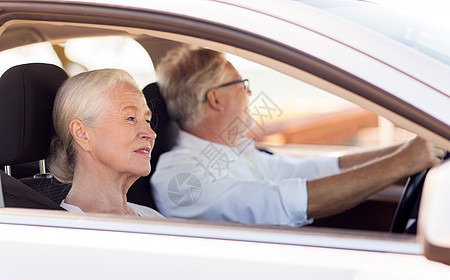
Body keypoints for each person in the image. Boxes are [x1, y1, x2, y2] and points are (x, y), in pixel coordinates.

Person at [150, 46, 445, 226]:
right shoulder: (182, 178)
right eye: (242, 84)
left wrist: (404, 151)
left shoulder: (233, 150)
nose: (250, 92)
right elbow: (287, 201)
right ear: (215, 99)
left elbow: (310, 170)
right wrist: (401, 163)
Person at [49, 69, 163, 218]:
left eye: (147, 120)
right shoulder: (64, 234)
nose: (150, 134)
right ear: (82, 133)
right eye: (130, 118)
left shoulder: (152, 216)